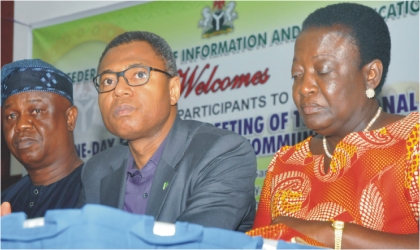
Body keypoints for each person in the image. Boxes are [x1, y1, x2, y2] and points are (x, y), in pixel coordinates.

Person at [247, 2, 419, 249]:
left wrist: (333, 235)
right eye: (297, 75)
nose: (304, 87)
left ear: (371, 74)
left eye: (323, 70)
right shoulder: (285, 164)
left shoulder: (413, 142)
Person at [76, 31, 257, 232]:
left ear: (173, 90)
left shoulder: (223, 153)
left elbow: (193, 244)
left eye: (139, 74)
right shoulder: (97, 170)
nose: (119, 89)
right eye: (108, 81)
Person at [1, 59, 84, 219]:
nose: (20, 125)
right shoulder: (5, 202)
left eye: (36, 111)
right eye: (11, 116)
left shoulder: (100, 190)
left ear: (70, 118)